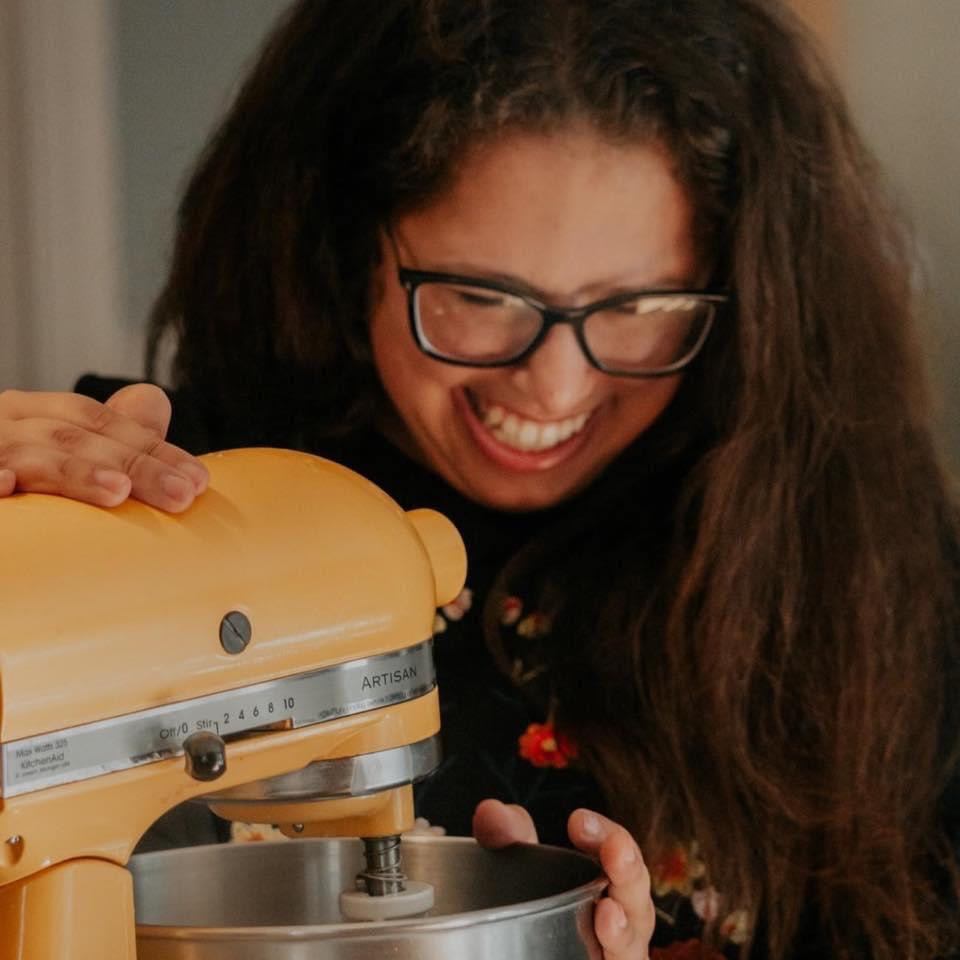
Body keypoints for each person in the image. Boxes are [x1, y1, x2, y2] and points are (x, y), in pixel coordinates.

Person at [1, 0, 958, 957]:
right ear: (349, 244)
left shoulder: (851, 549)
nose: (555, 385)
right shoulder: (135, 501)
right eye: (479, 298)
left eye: (640, 307)